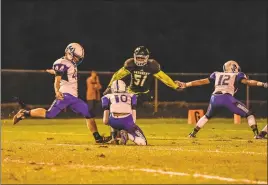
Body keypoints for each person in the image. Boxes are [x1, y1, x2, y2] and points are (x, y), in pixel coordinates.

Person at [12, 43, 110, 144]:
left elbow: (63, 73)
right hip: (65, 95)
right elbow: (57, 80)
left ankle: (98, 138)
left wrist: (53, 71)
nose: (77, 59)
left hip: (74, 98)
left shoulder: (68, 64)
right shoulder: (62, 62)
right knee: (50, 114)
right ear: (70, 53)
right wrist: (57, 91)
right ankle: (24, 113)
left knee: (88, 114)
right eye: (76, 57)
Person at [103, 46, 183, 139]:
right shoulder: (130, 64)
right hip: (130, 92)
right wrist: (109, 86)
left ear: (147, 57)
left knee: (126, 112)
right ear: (134, 56)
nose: (140, 60)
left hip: (144, 94)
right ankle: (115, 134)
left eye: (142, 58)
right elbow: (118, 75)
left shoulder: (152, 65)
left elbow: (163, 77)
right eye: (138, 57)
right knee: (115, 107)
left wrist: (174, 85)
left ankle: (122, 132)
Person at [177, 60, 267, 138]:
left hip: (214, 98)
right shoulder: (237, 74)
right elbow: (248, 82)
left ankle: (192, 134)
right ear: (235, 67)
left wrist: (186, 84)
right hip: (227, 98)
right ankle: (256, 134)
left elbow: (201, 81)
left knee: (207, 116)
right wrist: (262, 84)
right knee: (249, 114)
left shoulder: (216, 74)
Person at [101, 80, 147, 145]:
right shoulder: (131, 95)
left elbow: (105, 120)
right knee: (143, 142)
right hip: (127, 121)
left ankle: (114, 138)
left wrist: (107, 122)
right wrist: (132, 124)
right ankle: (127, 135)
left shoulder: (107, 96)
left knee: (112, 114)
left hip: (113, 122)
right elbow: (133, 110)